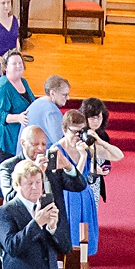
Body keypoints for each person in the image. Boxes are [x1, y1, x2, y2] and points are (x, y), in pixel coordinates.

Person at [49, 110, 117, 256]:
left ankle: (83, 263)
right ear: (64, 129)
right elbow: (73, 181)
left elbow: (117, 155)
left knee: (86, 234)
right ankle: (71, 264)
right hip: (67, 197)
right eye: (74, 132)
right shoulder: (55, 151)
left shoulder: (86, 147)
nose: (78, 136)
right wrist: (82, 157)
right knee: (71, 235)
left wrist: (98, 147)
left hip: (85, 195)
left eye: (82, 131)